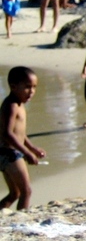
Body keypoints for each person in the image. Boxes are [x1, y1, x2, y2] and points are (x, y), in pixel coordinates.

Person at [1, 66, 46, 210]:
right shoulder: (12, 105)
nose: (31, 92)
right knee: (26, 191)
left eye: (34, 87)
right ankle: (20, 222)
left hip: (9, 153)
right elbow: (7, 134)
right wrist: (26, 153)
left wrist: (32, 148)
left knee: (15, 193)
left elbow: (20, 133)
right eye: (27, 87)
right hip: (9, 154)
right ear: (13, 87)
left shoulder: (20, 103)